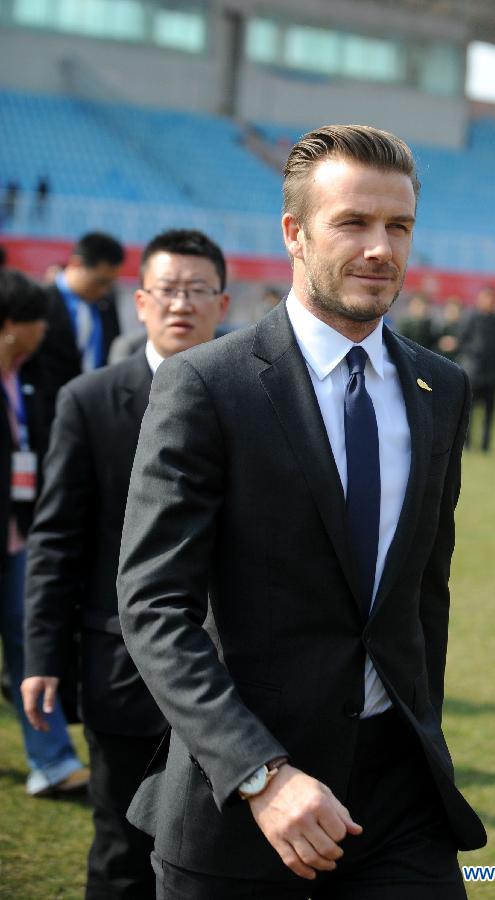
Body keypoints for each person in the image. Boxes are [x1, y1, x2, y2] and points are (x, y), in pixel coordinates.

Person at [117, 124, 486, 899]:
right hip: (242, 802)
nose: (381, 248)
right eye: (353, 222)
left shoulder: (440, 389)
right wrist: (262, 774)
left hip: (398, 801)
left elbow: (425, 593)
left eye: (398, 226)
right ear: (295, 232)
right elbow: (154, 606)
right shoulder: (206, 386)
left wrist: (426, 732)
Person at [21, 229, 230, 899]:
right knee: (121, 853)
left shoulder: (255, 399)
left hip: (237, 674)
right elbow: (56, 540)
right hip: (124, 670)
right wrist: (42, 656)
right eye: (168, 290)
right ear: (140, 301)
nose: (182, 304)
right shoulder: (87, 400)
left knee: (218, 856)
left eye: (198, 290)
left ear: (222, 305)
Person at [0, 269, 88, 797]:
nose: (44, 333)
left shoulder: (27, 379)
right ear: (12, 325)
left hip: (19, 539)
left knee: (32, 643)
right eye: (37, 323)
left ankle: (53, 761)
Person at [35, 231, 124, 426]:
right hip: (50, 415)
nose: (104, 290)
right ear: (76, 264)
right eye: (100, 281)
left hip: (94, 414)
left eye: (110, 283)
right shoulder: (39, 301)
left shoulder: (106, 305)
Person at [459, 286, 495, 452]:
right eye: (486, 299)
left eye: (492, 301)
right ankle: (467, 444)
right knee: (470, 412)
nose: (488, 303)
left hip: (490, 374)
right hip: (473, 372)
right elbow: (462, 340)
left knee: (489, 412)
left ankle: (486, 444)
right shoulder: (471, 318)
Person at [434, 296, 463, 362]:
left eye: (454, 311)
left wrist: (457, 344)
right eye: (449, 311)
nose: (451, 314)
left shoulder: (464, 329)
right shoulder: (438, 329)